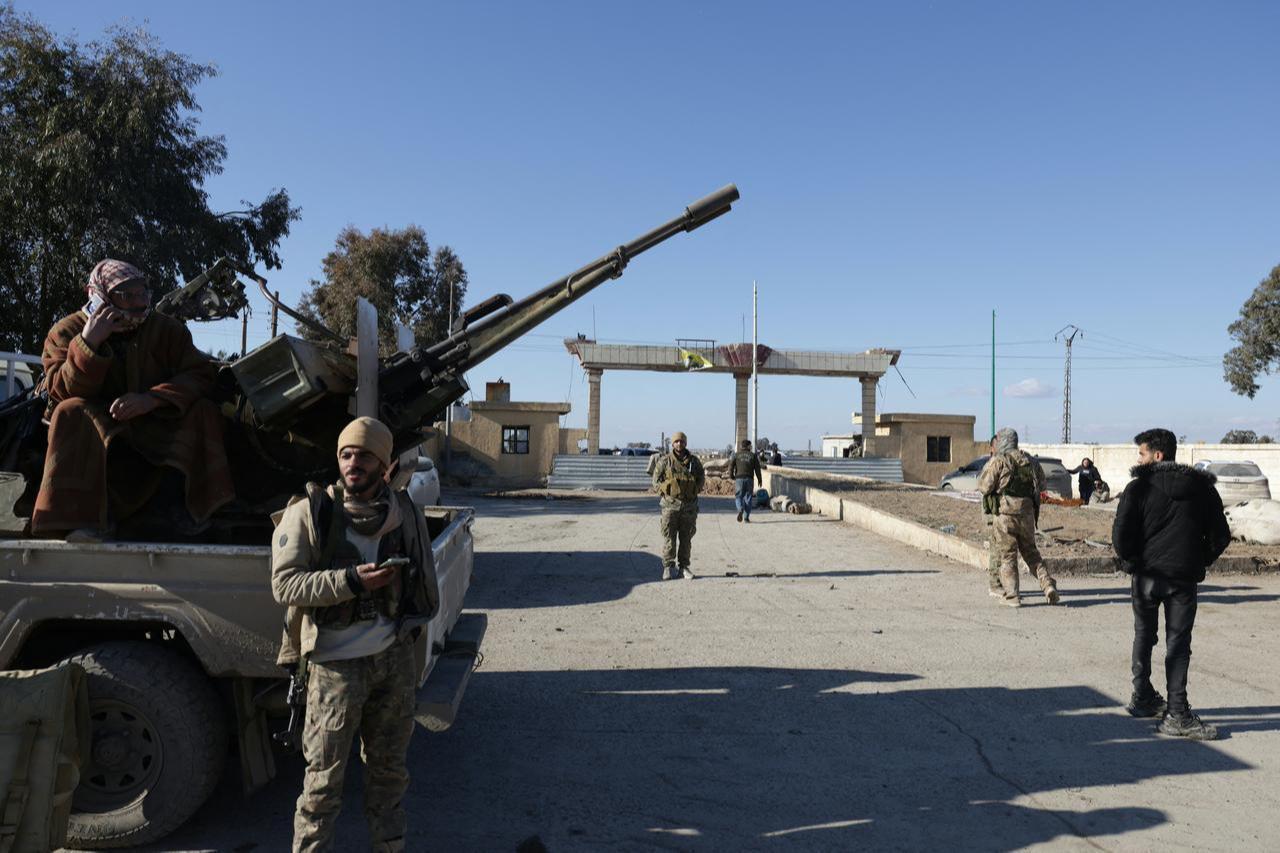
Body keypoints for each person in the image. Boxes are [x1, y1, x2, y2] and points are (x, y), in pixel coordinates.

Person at [272, 416, 441, 851]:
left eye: (365, 455)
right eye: (346, 454)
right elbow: (285, 585)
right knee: (322, 786)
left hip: (392, 663)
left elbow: (423, 583)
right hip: (334, 669)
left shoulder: (403, 513)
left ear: (384, 465)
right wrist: (350, 582)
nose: (353, 463)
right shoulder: (309, 513)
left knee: (389, 777)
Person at [31, 259, 233, 540]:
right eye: (127, 296)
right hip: (99, 428)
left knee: (204, 411)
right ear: (99, 296)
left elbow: (200, 374)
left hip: (155, 423)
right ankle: (86, 521)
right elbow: (61, 390)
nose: (139, 303)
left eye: (143, 294)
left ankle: (184, 511)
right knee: (70, 410)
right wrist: (88, 342)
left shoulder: (166, 330)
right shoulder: (66, 332)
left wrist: (153, 399)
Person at [1112, 428, 1230, 740]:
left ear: (1158, 455)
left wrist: (1133, 563)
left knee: (1144, 635)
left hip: (1147, 578)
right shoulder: (1203, 490)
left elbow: (1120, 537)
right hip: (1182, 580)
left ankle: (1143, 697)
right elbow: (1221, 536)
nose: (1139, 458)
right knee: (1178, 645)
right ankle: (1176, 711)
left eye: (1142, 453)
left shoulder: (1137, 489)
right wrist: (1197, 560)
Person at [978, 428, 1061, 607]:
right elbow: (1042, 484)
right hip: (1027, 514)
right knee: (1032, 553)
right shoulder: (1030, 460)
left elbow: (984, 487)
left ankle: (1013, 595)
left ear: (1003, 442)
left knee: (1008, 556)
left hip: (1005, 515)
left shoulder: (1000, 461)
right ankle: (1047, 585)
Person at [651, 430, 704, 580]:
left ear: (686, 443)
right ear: (672, 444)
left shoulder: (694, 462)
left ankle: (684, 568)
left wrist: (696, 489)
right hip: (670, 505)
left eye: (682, 441)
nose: (679, 444)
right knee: (669, 537)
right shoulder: (665, 461)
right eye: (676, 441)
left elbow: (701, 477)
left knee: (686, 538)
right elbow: (655, 480)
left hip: (689, 506)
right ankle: (668, 567)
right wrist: (664, 492)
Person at [729, 439, 763, 522]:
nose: (751, 447)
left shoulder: (736, 455)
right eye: (750, 446)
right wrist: (759, 479)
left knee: (738, 496)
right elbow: (757, 469)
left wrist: (731, 475)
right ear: (748, 446)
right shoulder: (753, 455)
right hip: (749, 479)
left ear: (741, 446)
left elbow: (731, 466)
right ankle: (746, 518)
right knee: (748, 498)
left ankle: (740, 509)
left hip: (739, 479)